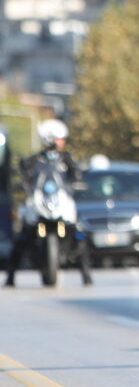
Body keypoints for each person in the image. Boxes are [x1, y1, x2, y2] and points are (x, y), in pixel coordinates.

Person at [5, 118, 91, 287]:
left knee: (79, 233)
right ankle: (11, 276)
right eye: (59, 139)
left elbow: (77, 175)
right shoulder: (34, 160)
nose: (61, 142)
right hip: (39, 203)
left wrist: (77, 181)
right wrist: (21, 185)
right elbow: (25, 176)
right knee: (22, 235)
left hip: (62, 203)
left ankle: (86, 274)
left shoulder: (67, 159)